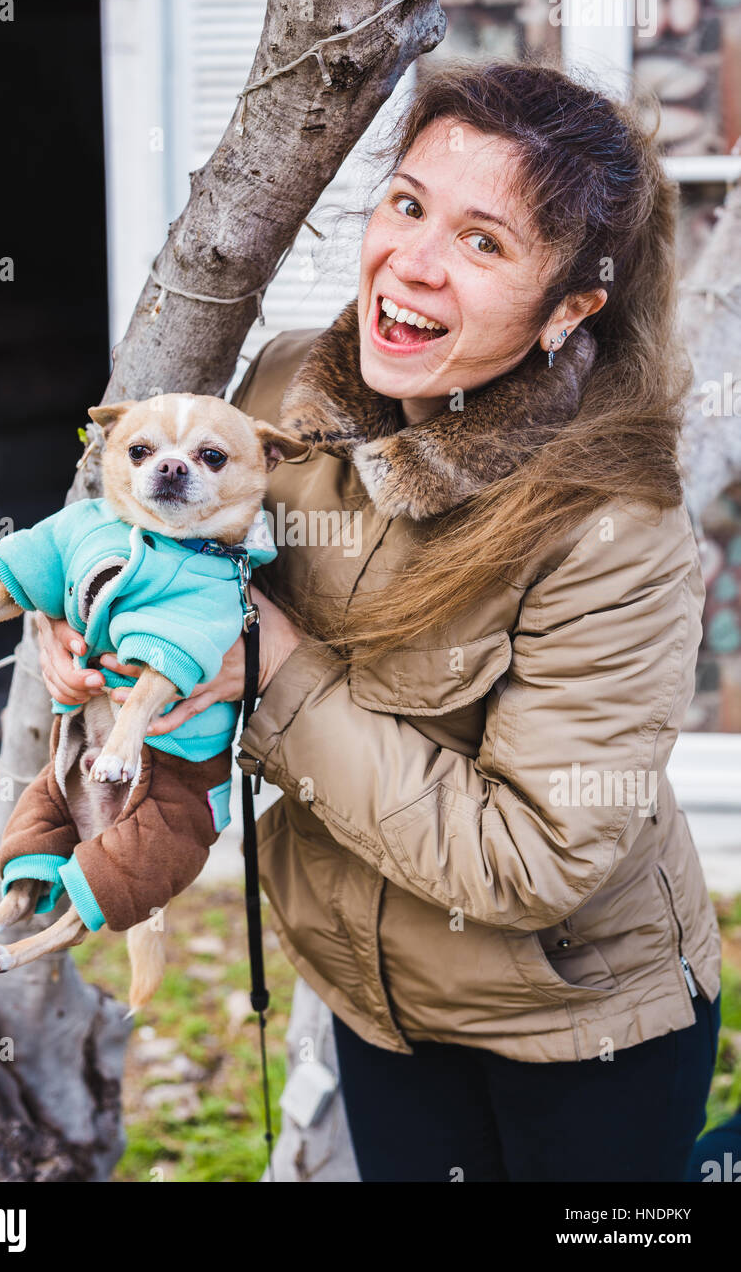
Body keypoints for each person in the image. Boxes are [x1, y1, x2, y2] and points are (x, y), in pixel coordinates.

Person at [36, 59, 722, 1182]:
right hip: (374, 996)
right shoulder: (280, 389)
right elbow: (166, 561)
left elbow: (528, 858)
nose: (409, 263)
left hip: (581, 1021)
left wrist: (275, 666)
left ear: (570, 306)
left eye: (482, 242)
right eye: (406, 204)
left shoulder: (612, 528)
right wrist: (106, 635)